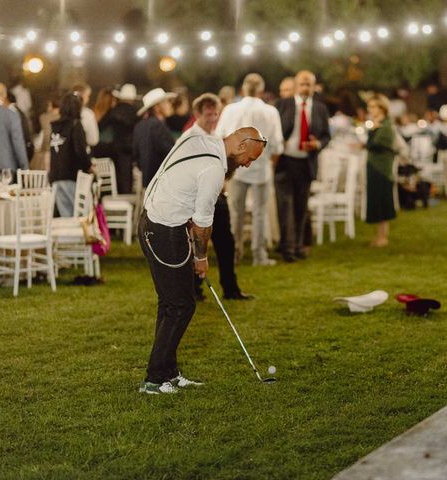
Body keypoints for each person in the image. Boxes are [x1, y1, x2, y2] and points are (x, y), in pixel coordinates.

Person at [137, 125, 266, 394]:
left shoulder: (199, 139)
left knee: (172, 304)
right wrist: (201, 257)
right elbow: (203, 223)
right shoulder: (214, 169)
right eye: (250, 159)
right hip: (163, 229)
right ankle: (154, 379)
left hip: (156, 222)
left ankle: (169, 373)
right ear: (241, 145)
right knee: (181, 306)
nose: (246, 165)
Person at [187, 92, 253, 300]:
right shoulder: (190, 138)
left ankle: (230, 287)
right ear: (197, 114)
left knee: (226, 243)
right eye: (209, 115)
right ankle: (194, 288)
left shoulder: (216, 136)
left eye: (216, 114)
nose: (213, 118)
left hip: (217, 195)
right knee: (197, 244)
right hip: (199, 198)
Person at [216, 73, 284, 266]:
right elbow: (278, 145)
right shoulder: (270, 112)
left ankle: (234, 253)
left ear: (243, 89)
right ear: (261, 90)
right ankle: (259, 255)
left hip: (236, 168)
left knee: (235, 212)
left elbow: (220, 137)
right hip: (261, 168)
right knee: (260, 212)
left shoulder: (230, 110)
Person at [275, 70, 331, 262]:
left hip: (306, 163)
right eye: (302, 84)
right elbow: (273, 131)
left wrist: (317, 144)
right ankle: (286, 248)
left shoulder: (321, 109)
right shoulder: (284, 104)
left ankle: (298, 246)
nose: (306, 88)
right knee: (284, 206)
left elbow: (326, 136)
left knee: (301, 207)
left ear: (314, 87)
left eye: (309, 84)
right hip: (284, 162)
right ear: (296, 85)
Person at [49, 92, 92, 217]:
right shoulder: (75, 125)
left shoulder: (55, 127)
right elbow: (80, 150)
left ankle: (67, 237)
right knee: (82, 216)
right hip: (72, 175)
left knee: (66, 217)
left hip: (56, 176)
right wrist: (88, 166)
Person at [365, 94, 396, 247]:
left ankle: (383, 237)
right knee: (377, 201)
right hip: (374, 165)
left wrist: (372, 131)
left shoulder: (385, 126)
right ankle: (379, 236)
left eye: (372, 107)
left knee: (383, 202)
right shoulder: (378, 124)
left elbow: (374, 144)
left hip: (382, 168)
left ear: (381, 108)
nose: (370, 110)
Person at [99, 83, 139, 194]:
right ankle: (126, 197)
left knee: (116, 175)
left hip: (115, 148)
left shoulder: (113, 111)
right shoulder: (137, 112)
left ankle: (116, 196)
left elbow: (100, 127)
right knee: (127, 177)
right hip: (130, 149)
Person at [132, 88, 176, 187]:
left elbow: (135, 152)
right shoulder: (158, 125)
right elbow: (169, 153)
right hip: (162, 181)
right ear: (157, 107)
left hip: (148, 181)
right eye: (166, 102)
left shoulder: (140, 125)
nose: (170, 105)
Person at [0, 82, 28, 177]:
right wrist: (24, 168)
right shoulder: (11, 115)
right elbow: (18, 142)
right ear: (4, 95)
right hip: (6, 168)